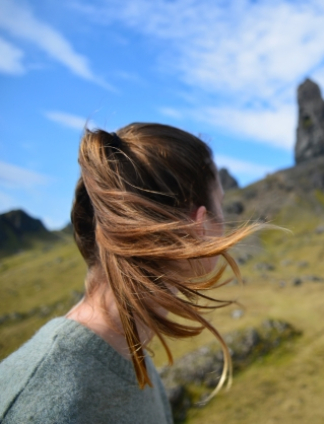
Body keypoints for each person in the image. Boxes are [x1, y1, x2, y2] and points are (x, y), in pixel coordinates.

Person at [0, 123, 261, 423]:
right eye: (222, 203)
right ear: (197, 227)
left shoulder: (130, 355)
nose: (226, 220)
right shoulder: (36, 404)